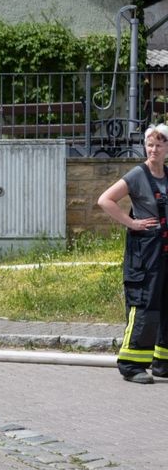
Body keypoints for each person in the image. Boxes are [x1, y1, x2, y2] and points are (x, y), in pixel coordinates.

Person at [97, 124, 168, 384]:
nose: (154, 149)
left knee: (165, 305)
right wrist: (133, 223)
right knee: (145, 304)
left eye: (159, 145)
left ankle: (162, 363)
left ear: (167, 149)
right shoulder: (138, 174)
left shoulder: (167, 175)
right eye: (150, 144)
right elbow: (105, 199)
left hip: (164, 250)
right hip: (145, 252)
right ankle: (131, 365)